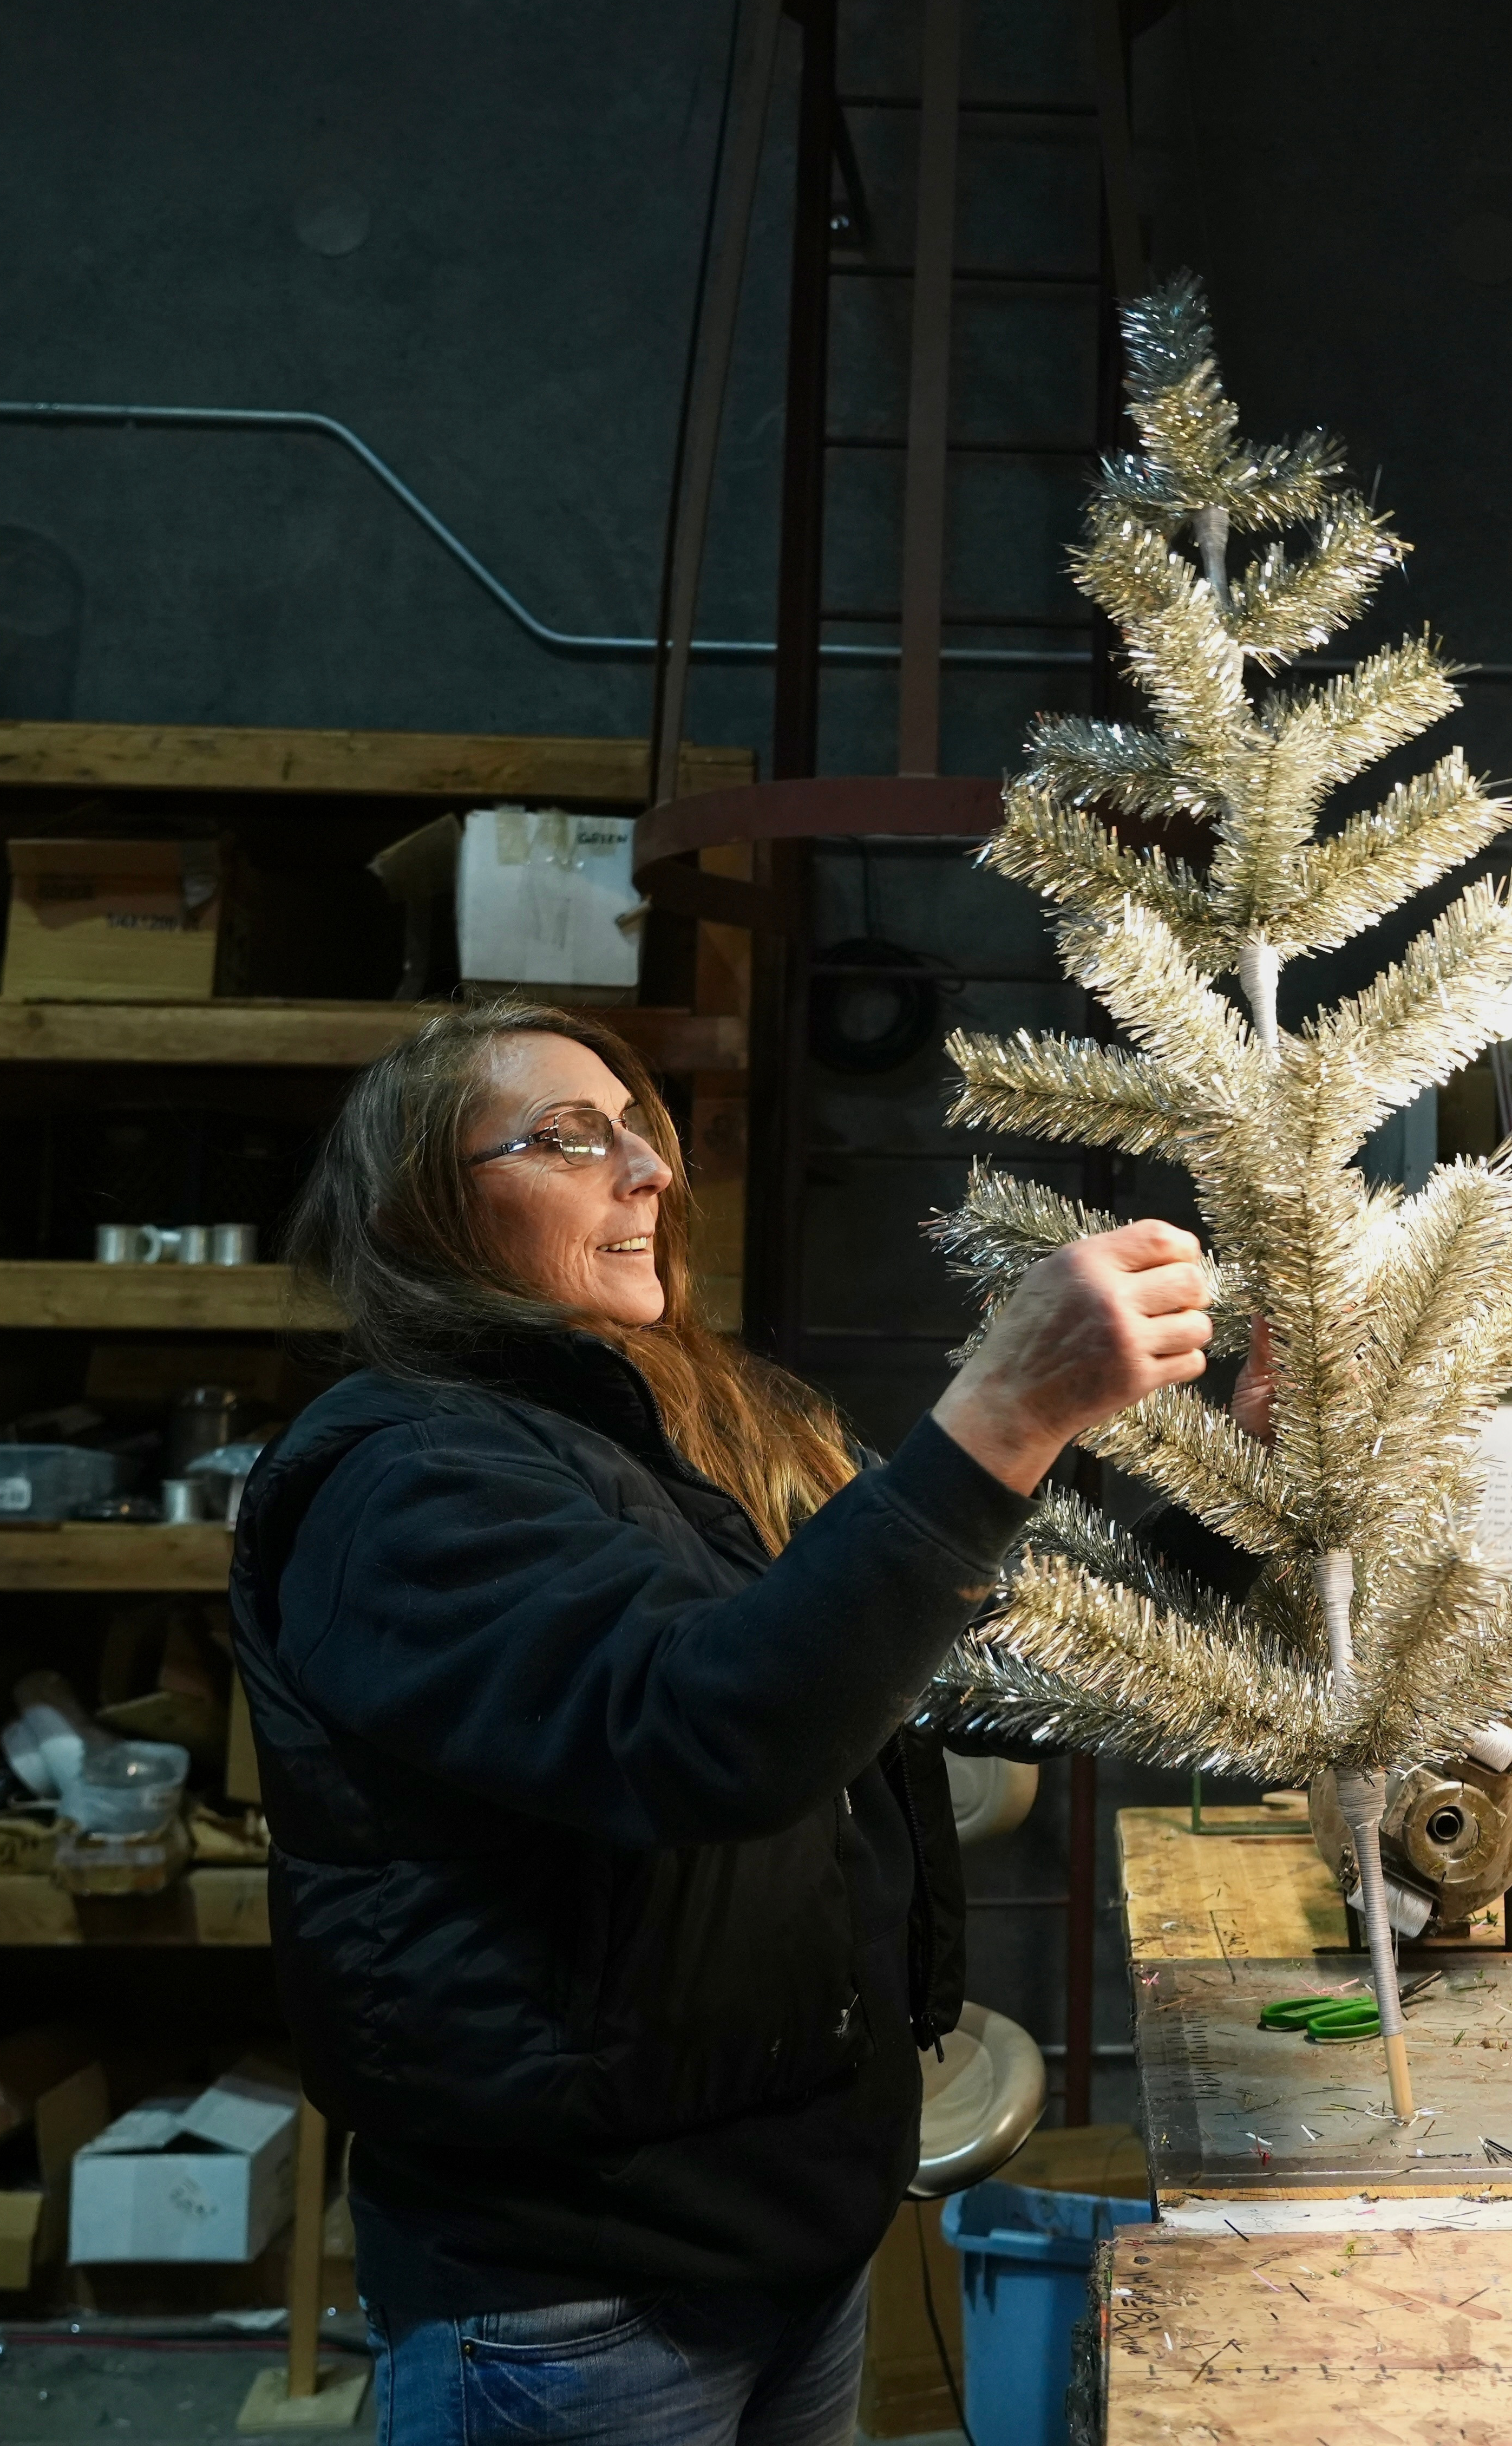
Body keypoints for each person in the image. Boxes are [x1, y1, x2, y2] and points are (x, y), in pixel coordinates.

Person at [230, 997, 1211, 2445]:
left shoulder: (694, 1429)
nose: (647, 1175)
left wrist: (1236, 1505)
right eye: (570, 1141)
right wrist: (1003, 1411)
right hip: (577, 2302)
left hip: (783, 2243)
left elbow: (960, 1660)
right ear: (428, 1207)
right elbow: (702, 1733)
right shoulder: (404, 1480)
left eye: (644, 1137)